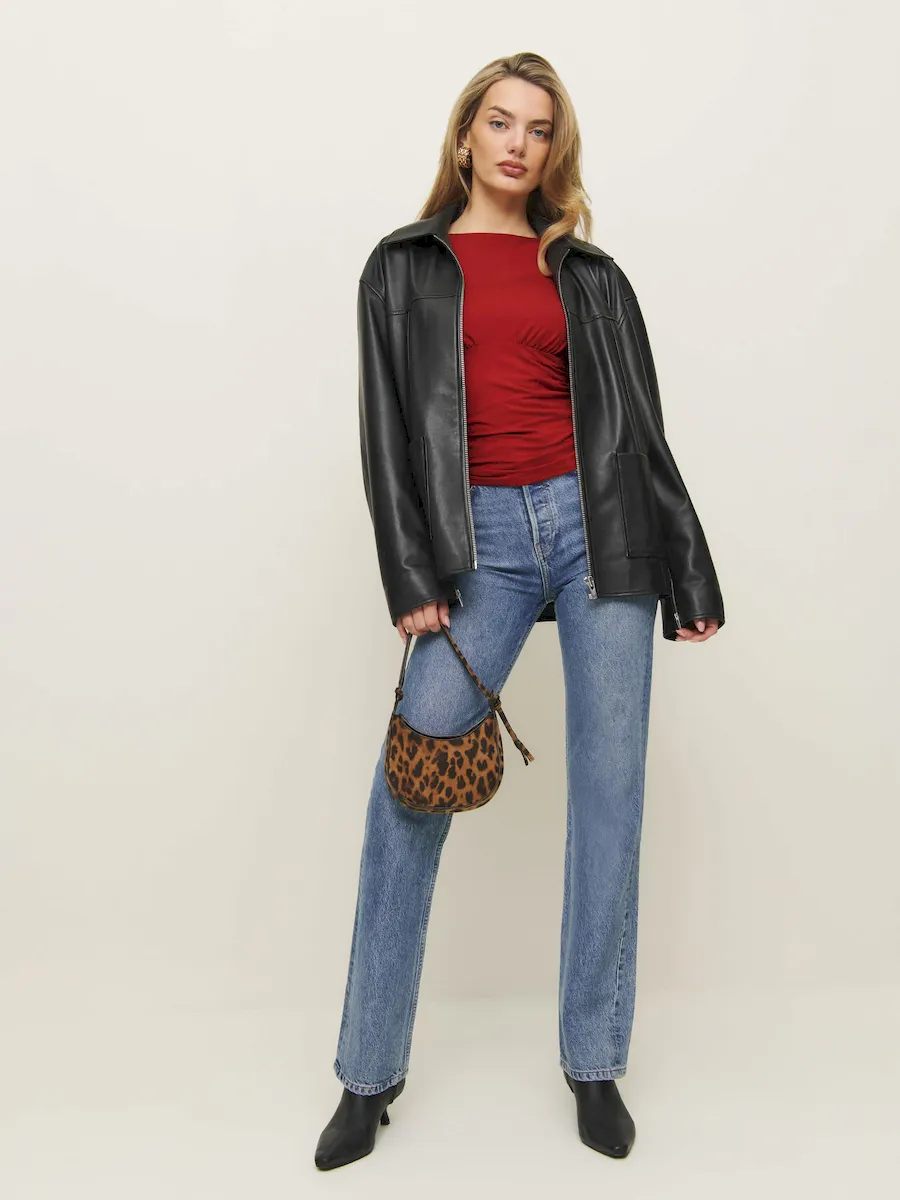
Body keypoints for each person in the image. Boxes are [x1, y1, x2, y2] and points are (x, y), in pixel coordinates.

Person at [315, 51, 724, 1171]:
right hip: (478, 547)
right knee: (409, 790)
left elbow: (641, 435)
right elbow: (385, 433)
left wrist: (689, 572)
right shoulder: (402, 267)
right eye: (500, 123)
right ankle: (367, 1072)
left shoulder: (590, 276)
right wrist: (411, 577)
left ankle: (594, 1062)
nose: (517, 144)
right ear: (465, 137)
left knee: (610, 796)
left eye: (539, 130)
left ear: (554, 151)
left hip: (600, 533)